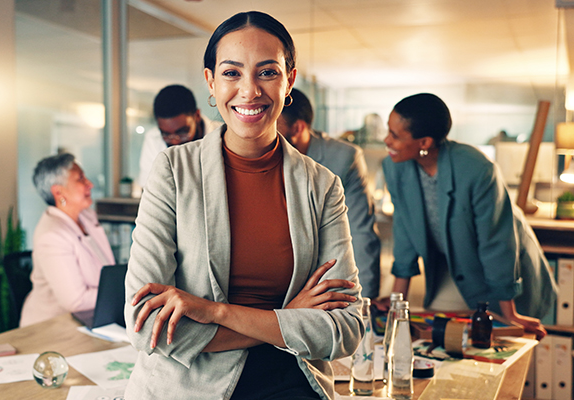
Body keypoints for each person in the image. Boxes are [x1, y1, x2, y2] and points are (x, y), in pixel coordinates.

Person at [125, 11, 363, 400]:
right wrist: (286, 320)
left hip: (292, 381)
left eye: (267, 72)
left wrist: (215, 311)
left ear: (290, 81)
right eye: (232, 73)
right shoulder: (172, 171)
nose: (250, 91)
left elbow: (345, 329)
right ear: (211, 82)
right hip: (187, 386)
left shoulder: (322, 186)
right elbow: (146, 323)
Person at [381, 93, 557, 339]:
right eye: (388, 131)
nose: (386, 140)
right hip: (448, 265)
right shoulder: (394, 166)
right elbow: (404, 229)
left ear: (424, 142)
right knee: (445, 338)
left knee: (499, 335)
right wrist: (395, 303)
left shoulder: (477, 169)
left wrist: (510, 315)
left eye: (395, 135)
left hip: (499, 267)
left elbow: (497, 243)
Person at [277, 88, 381, 299]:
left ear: (297, 128)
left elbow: (361, 233)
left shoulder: (343, 158)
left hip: (324, 278)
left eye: (272, 124)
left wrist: (364, 303)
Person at [20, 153, 115, 327]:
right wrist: (124, 290)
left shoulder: (86, 216)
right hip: (52, 328)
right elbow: (75, 300)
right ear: (58, 192)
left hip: (92, 320)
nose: (90, 184)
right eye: (80, 179)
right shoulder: (51, 235)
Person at [137, 84, 222, 188]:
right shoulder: (153, 138)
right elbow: (147, 187)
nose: (175, 141)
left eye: (182, 132)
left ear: (197, 116)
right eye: (166, 134)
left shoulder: (223, 135)